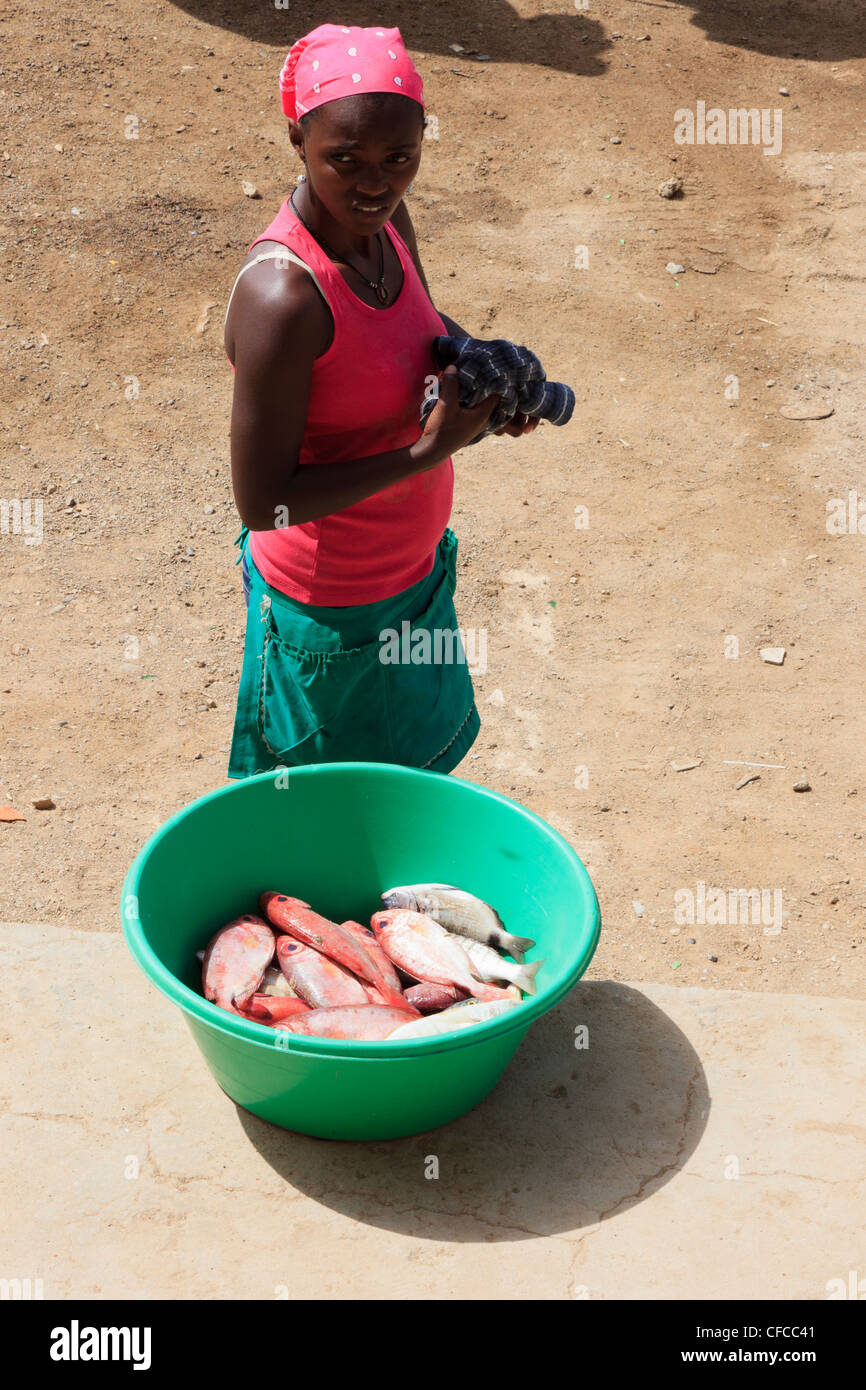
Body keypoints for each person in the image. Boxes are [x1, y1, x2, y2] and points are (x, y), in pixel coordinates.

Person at [223, 22, 539, 780]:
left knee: (407, 791)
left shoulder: (387, 224)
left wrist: (484, 366)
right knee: (319, 816)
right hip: (331, 611)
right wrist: (424, 453)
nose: (374, 183)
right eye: (345, 160)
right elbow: (262, 503)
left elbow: (422, 329)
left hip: (415, 574)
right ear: (297, 139)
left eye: (400, 159)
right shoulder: (284, 296)